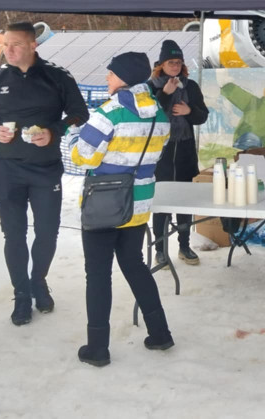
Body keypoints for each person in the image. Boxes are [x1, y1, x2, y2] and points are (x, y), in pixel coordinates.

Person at [0, 21, 89, 326]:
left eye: (16, 44)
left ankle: (39, 281)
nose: (8, 50)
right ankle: (21, 294)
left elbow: (79, 112)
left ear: (33, 45)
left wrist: (54, 131)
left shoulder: (57, 76)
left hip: (45, 169)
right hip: (6, 168)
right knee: (14, 233)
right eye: (6, 44)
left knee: (47, 231)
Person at [70, 52, 174, 367]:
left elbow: (82, 158)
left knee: (98, 275)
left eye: (111, 73)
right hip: (138, 206)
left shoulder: (109, 113)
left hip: (103, 205)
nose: (107, 78)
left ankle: (98, 348)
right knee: (135, 266)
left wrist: (76, 138)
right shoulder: (159, 114)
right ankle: (160, 333)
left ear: (124, 78)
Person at [147, 39, 208, 266]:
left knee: (184, 200)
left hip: (185, 150)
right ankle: (160, 250)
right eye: (170, 62)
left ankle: (184, 245)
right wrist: (164, 93)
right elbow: (148, 114)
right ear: (161, 64)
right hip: (160, 152)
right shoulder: (150, 85)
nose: (175, 66)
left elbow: (202, 116)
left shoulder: (190, 86)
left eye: (178, 62)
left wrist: (189, 110)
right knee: (161, 202)